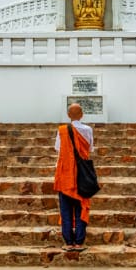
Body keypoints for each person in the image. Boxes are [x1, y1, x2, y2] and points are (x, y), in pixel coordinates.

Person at [53, 102, 94, 252]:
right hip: (82, 176)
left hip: (65, 174)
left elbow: (58, 149)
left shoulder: (62, 130)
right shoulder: (88, 130)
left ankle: (68, 242)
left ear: (69, 115)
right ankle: (79, 242)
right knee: (81, 206)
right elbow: (89, 148)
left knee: (65, 209)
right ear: (82, 115)